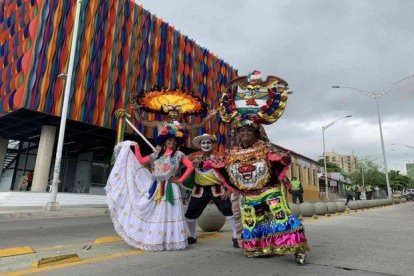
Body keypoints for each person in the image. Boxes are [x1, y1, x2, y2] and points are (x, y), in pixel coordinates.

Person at [206, 122, 309, 264]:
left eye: (249, 131)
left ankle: (298, 248)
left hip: (269, 189)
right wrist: (210, 163)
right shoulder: (232, 152)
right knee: (252, 220)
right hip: (249, 193)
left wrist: (284, 159)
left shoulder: (264, 147)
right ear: (238, 135)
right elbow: (222, 164)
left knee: (281, 216)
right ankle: (261, 247)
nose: (245, 133)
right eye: (242, 131)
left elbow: (277, 157)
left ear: (255, 134)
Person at [105, 122, 194, 251]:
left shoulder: (179, 155)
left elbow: (190, 167)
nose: (172, 143)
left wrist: (180, 179)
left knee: (169, 211)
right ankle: (158, 238)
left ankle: (171, 240)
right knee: (157, 212)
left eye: (175, 141)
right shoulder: (156, 155)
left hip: (170, 187)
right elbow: (140, 161)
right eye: (170, 140)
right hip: (156, 186)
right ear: (165, 141)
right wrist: (136, 147)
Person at [184, 133, 239, 248]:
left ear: (213, 144)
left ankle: (236, 236)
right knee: (190, 214)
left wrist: (229, 189)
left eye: (208, 142)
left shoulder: (220, 156)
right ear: (200, 145)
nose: (206, 144)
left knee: (228, 210)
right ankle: (192, 236)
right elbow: (180, 161)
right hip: (199, 188)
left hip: (217, 187)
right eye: (203, 142)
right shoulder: (194, 156)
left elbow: (230, 173)